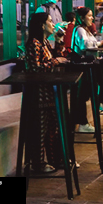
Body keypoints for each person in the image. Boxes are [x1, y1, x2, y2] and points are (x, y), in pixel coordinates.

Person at [25, 12, 69, 172]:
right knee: (40, 129)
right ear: (42, 25)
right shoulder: (34, 44)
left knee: (52, 128)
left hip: (49, 93)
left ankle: (54, 160)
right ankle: (38, 163)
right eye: (50, 21)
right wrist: (55, 61)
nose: (53, 24)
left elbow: (56, 58)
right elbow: (35, 67)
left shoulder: (44, 42)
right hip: (39, 94)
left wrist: (59, 42)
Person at [70, 6, 103, 134]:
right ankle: (84, 121)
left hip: (86, 67)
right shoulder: (80, 30)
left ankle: (100, 102)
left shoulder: (85, 30)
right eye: (89, 15)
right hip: (81, 68)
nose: (92, 18)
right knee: (81, 95)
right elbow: (85, 44)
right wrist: (100, 44)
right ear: (82, 18)